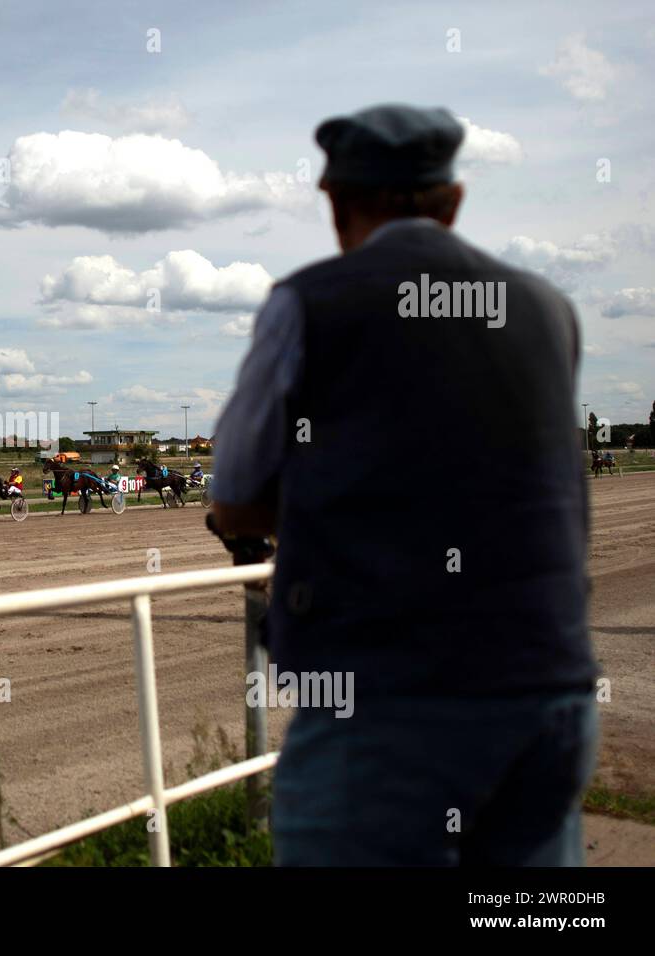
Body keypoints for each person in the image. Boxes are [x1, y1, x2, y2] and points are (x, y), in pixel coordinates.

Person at [207, 104, 596, 866]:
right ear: (453, 202)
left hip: (386, 698)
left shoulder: (309, 300)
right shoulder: (550, 308)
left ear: (334, 199)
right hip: (551, 692)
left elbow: (237, 492)